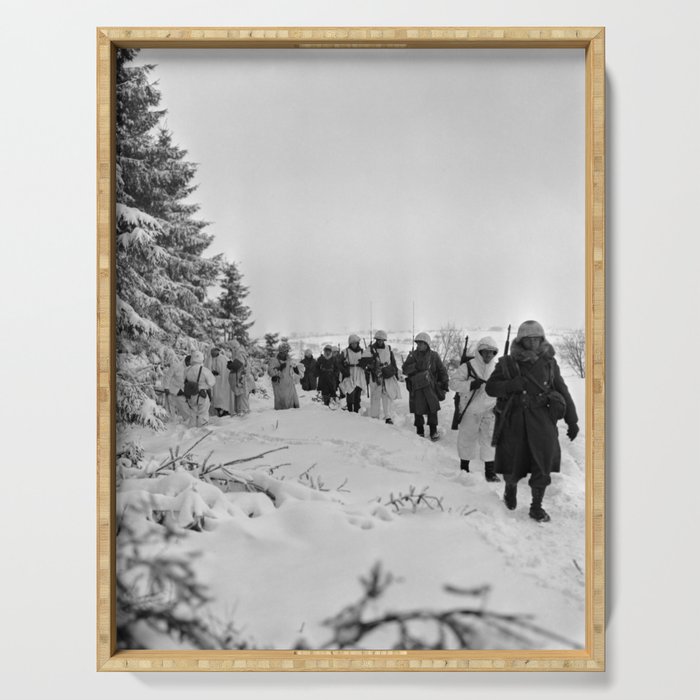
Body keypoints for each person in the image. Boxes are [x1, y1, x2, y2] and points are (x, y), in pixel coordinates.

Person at [485, 320, 579, 523]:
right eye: (529, 339)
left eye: (537, 339)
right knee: (513, 462)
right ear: (521, 341)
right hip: (514, 419)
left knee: (542, 462)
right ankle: (510, 488)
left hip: (542, 420)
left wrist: (572, 421)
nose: (534, 343)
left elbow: (562, 390)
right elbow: (490, 388)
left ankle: (536, 507)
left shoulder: (549, 363)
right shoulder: (507, 363)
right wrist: (511, 385)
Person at [449, 337, 500, 480]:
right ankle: (464, 469)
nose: (488, 355)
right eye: (485, 352)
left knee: (489, 439)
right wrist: (470, 385)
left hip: (490, 409)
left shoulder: (497, 369)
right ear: (480, 352)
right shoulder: (468, 367)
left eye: (491, 352)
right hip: (470, 410)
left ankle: (490, 473)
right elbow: (453, 383)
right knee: (467, 438)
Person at [402, 332, 449, 440]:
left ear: (427, 344)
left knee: (432, 409)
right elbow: (405, 369)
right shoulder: (412, 355)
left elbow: (442, 370)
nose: (419, 346)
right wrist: (416, 366)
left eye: (422, 343)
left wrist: (444, 383)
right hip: (416, 387)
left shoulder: (434, 356)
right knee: (418, 410)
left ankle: (433, 431)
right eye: (418, 343)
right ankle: (420, 432)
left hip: (430, 387)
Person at [367, 330, 401, 424]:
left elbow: (392, 362)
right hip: (375, 375)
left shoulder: (388, 348)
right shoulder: (370, 349)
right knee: (375, 395)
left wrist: (395, 373)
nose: (380, 342)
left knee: (386, 395)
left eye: (382, 340)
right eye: (378, 340)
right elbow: (365, 362)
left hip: (386, 374)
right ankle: (374, 416)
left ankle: (388, 416)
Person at [183, 350, 217, 427]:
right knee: (203, 412)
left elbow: (184, 380)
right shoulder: (204, 370)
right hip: (202, 394)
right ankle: (202, 428)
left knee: (193, 412)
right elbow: (212, 382)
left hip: (191, 394)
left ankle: (192, 429)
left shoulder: (187, 370)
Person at [339, 334, 372, 413]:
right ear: (350, 344)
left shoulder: (362, 351)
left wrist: (364, 364)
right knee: (350, 391)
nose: (354, 345)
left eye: (355, 343)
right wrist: (344, 371)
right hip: (349, 373)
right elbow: (339, 363)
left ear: (358, 343)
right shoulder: (345, 352)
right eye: (352, 343)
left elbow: (367, 361)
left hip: (359, 373)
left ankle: (357, 409)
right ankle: (350, 409)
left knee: (358, 390)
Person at [268, 342, 305, 409]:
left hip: (289, 384)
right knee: (282, 402)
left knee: (291, 402)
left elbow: (295, 372)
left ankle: (291, 410)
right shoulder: (274, 360)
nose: (287, 353)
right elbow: (270, 372)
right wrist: (280, 368)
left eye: (287, 351)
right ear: (281, 352)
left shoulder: (289, 360)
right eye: (285, 351)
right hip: (279, 385)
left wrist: (295, 368)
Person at [161, 348, 189, 422]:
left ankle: (186, 421)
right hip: (172, 390)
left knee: (184, 407)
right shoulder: (176, 365)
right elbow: (168, 376)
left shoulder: (189, 368)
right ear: (187, 361)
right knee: (170, 408)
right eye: (190, 362)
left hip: (181, 391)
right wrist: (166, 388)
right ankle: (170, 424)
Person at [227, 339, 254, 416]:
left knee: (242, 395)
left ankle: (243, 412)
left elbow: (240, 363)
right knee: (240, 394)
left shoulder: (239, 352)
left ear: (234, 346)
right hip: (240, 376)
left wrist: (232, 365)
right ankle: (240, 411)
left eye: (231, 348)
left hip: (241, 377)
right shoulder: (239, 352)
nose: (230, 349)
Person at [207, 347, 231, 417]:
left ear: (218, 352)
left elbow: (227, 370)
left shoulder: (223, 359)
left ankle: (224, 410)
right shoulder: (209, 359)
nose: (212, 354)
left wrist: (219, 373)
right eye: (211, 352)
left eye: (214, 352)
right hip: (213, 382)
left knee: (222, 397)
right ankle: (217, 411)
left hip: (223, 382)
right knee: (215, 397)